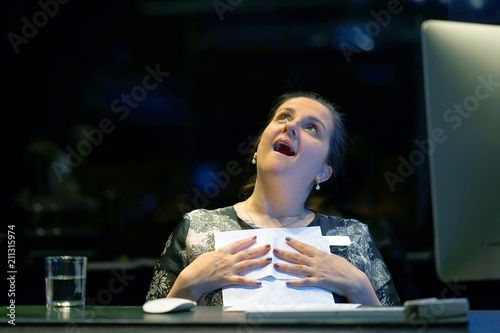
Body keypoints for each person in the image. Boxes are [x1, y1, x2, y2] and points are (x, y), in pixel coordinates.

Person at [146, 91, 400, 306]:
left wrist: (359, 288)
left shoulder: (354, 239)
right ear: (257, 149)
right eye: (284, 117)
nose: (290, 126)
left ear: (323, 172)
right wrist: (188, 287)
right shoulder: (196, 229)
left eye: (312, 128)